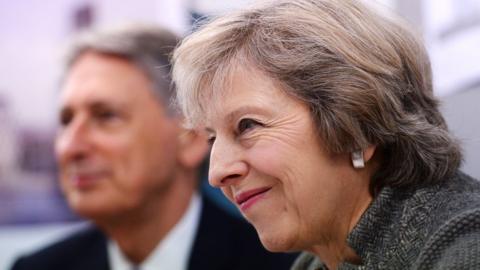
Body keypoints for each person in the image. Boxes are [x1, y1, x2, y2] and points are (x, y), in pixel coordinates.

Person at [171, 0, 480, 269]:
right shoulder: (314, 264)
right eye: (212, 138)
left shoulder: (465, 247)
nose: (217, 173)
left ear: (358, 124)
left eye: (248, 126)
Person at [11, 25, 297, 270]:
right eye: (66, 120)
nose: (71, 147)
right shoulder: (38, 267)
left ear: (190, 136)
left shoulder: (287, 265)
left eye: (106, 116)